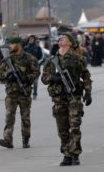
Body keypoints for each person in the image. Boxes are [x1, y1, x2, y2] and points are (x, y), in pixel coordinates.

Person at [41, 33, 92, 166]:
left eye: (63, 38)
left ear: (70, 43)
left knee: (75, 126)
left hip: (74, 97)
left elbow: (86, 75)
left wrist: (88, 92)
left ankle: (75, 154)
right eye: (60, 38)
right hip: (58, 99)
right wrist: (53, 78)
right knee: (62, 130)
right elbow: (44, 78)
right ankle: (66, 155)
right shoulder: (51, 60)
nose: (60, 39)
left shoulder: (77, 59)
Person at [0, 37, 40, 148]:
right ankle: (8, 140)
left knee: (25, 118)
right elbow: (0, 74)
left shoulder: (29, 58)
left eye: (12, 44)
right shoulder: (7, 59)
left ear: (19, 45)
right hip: (11, 93)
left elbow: (36, 72)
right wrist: (8, 76)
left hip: (24, 92)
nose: (10, 46)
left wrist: (27, 78)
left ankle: (26, 139)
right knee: (9, 117)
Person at [24, 35, 43, 100]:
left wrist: (38, 63)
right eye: (30, 39)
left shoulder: (37, 47)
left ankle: (35, 93)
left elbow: (41, 57)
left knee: (35, 81)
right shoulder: (26, 48)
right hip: (27, 66)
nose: (31, 40)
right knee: (28, 80)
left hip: (35, 66)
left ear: (34, 40)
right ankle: (28, 93)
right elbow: (23, 57)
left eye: (32, 39)